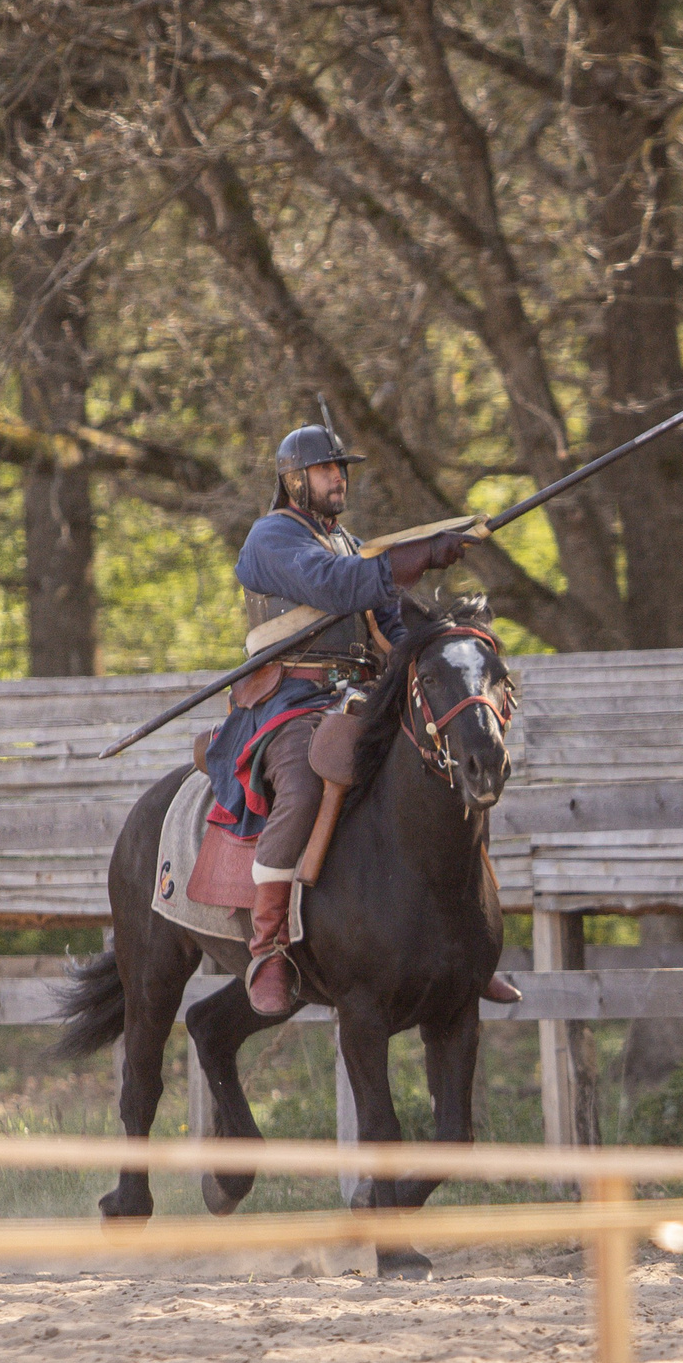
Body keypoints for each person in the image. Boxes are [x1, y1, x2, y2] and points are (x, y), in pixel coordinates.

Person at [207, 421, 515, 1015]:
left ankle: (466, 943)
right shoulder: (271, 538)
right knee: (303, 782)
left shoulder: (351, 545)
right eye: (326, 469)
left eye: (341, 469)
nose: (338, 479)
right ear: (294, 480)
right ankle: (269, 948)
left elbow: (393, 628)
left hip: (361, 694)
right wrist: (417, 556)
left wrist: (432, 637)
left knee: (443, 769)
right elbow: (333, 585)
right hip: (289, 701)